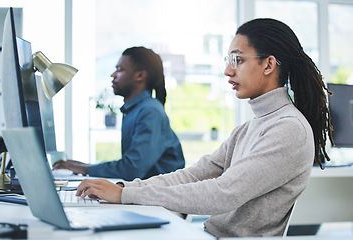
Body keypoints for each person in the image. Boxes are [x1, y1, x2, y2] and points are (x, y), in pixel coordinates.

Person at [74, 19, 334, 238]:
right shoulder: (248, 128)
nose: (227, 70)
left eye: (238, 60)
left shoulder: (289, 129)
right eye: (228, 60)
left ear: (268, 64)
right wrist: (124, 188)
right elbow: (193, 175)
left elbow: (222, 194)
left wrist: (126, 195)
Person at [53, 46, 185, 181]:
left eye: (120, 70)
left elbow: (132, 169)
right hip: (146, 191)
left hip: (157, 197)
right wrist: (81, 166)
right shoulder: (136, 109)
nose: (113, 75)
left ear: (140, 75)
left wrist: (85, 168)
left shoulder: (150, 111)